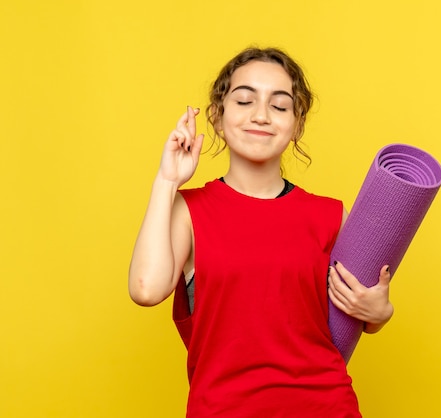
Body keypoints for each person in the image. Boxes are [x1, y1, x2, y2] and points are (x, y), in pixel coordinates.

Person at [128, 47, 394, 417]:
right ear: (218, 118)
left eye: (280, 106)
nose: (261, 115)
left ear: (297, 124)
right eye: (244, 100)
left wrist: (380, 313)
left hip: (325, 406)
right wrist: (167, 180)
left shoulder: (331, 215)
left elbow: (360, 312)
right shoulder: (187, 211)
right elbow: (145, 289)